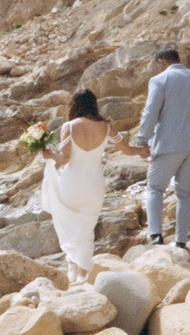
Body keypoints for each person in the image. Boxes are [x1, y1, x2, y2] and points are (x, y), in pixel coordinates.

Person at [40, 89, 144, 283]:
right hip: (94, 184)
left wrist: (49, 155)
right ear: (94, 105)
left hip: (71, 182)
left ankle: (72, 267)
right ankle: (82, 275)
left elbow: (64, 159)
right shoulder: (106, 127)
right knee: (87, 229)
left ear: (74, 105)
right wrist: (143, 150)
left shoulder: (69, 127)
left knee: (67, 225)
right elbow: (128, 150)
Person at [129, 48, 190, 249]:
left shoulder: (159, 80)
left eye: (158, 65)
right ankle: (181, 241)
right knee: (185, 193)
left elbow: (151, 112)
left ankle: (156, 236)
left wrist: (142, 139)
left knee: (155, 188)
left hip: (168, 143)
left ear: (163, 62)